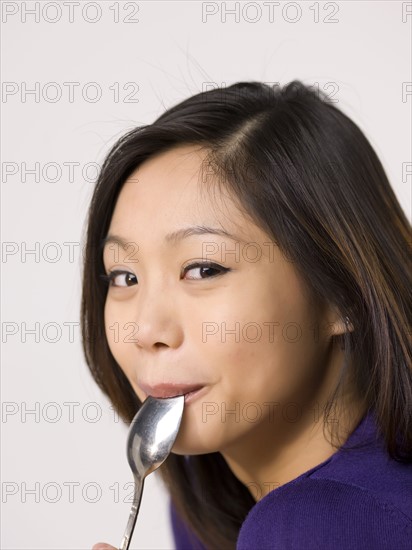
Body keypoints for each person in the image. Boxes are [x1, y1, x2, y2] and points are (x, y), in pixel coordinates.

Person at [82, 81, 412, 550]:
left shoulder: (317, 525)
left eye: (202, 268)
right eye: (124, 277)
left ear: (343, 292)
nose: (146, 330)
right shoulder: (207, 494)